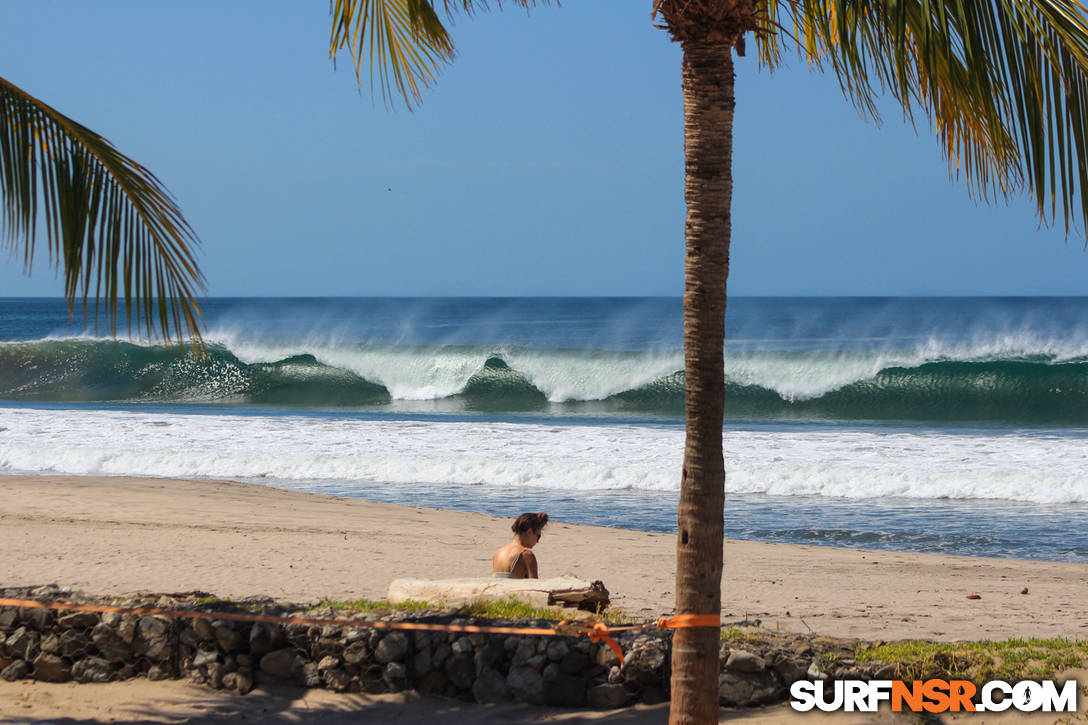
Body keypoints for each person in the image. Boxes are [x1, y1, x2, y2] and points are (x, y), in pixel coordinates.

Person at [492, 512, 548, 579]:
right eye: (538, 536)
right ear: (529, 532)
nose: (537, 541)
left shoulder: (498, 552)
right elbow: (534, 586)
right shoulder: (526, 555)